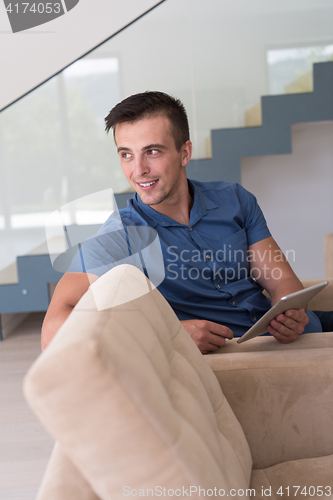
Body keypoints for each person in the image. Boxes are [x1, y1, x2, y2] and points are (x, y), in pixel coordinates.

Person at [42, 91, 328, 352]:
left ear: (185, 152)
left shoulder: (234, 199)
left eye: (152, 151)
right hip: (243, 355)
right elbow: (52, 331)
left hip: (299, 336)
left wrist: (289, 312)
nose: (138, 170)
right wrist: (168, 334)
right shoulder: (121, 235)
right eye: (126, 154)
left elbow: (281, 280)